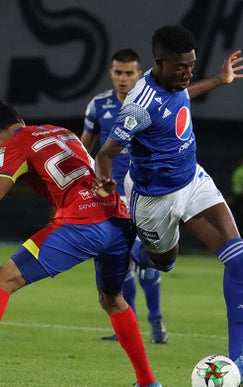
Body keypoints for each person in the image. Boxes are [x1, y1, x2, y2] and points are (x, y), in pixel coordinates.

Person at [0, 100, 164, 387]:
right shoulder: (62, 131)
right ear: (21, 119)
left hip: (82, 223)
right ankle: (148, 383)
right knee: (112, 299)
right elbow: (96, 168)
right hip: (119, 221)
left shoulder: (12, 145)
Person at [94, 24, 243, 387]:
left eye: (192, 65)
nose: (187, 73)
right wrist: (105, 182)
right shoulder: (138, 107)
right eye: (181, 67)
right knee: (164, 263)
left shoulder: (174, 81)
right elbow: (105, 153)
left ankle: (237, 359)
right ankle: (134, 251)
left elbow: (184, 93)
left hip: (193, 180)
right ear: (160, 63)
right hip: (154, 199)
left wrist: (218, 80)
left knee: (239, 257)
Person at [81, 48, 167, 344]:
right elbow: (84, 148)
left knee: (146, 262)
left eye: (129, 73)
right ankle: (129, 327)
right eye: (118, 72)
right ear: (111, 73)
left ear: (139, 74)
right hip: (110, 198)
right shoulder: (98, 105)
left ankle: (156, 320)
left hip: (145, 194)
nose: (123, 78)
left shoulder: (152, 102)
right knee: (118, 263)